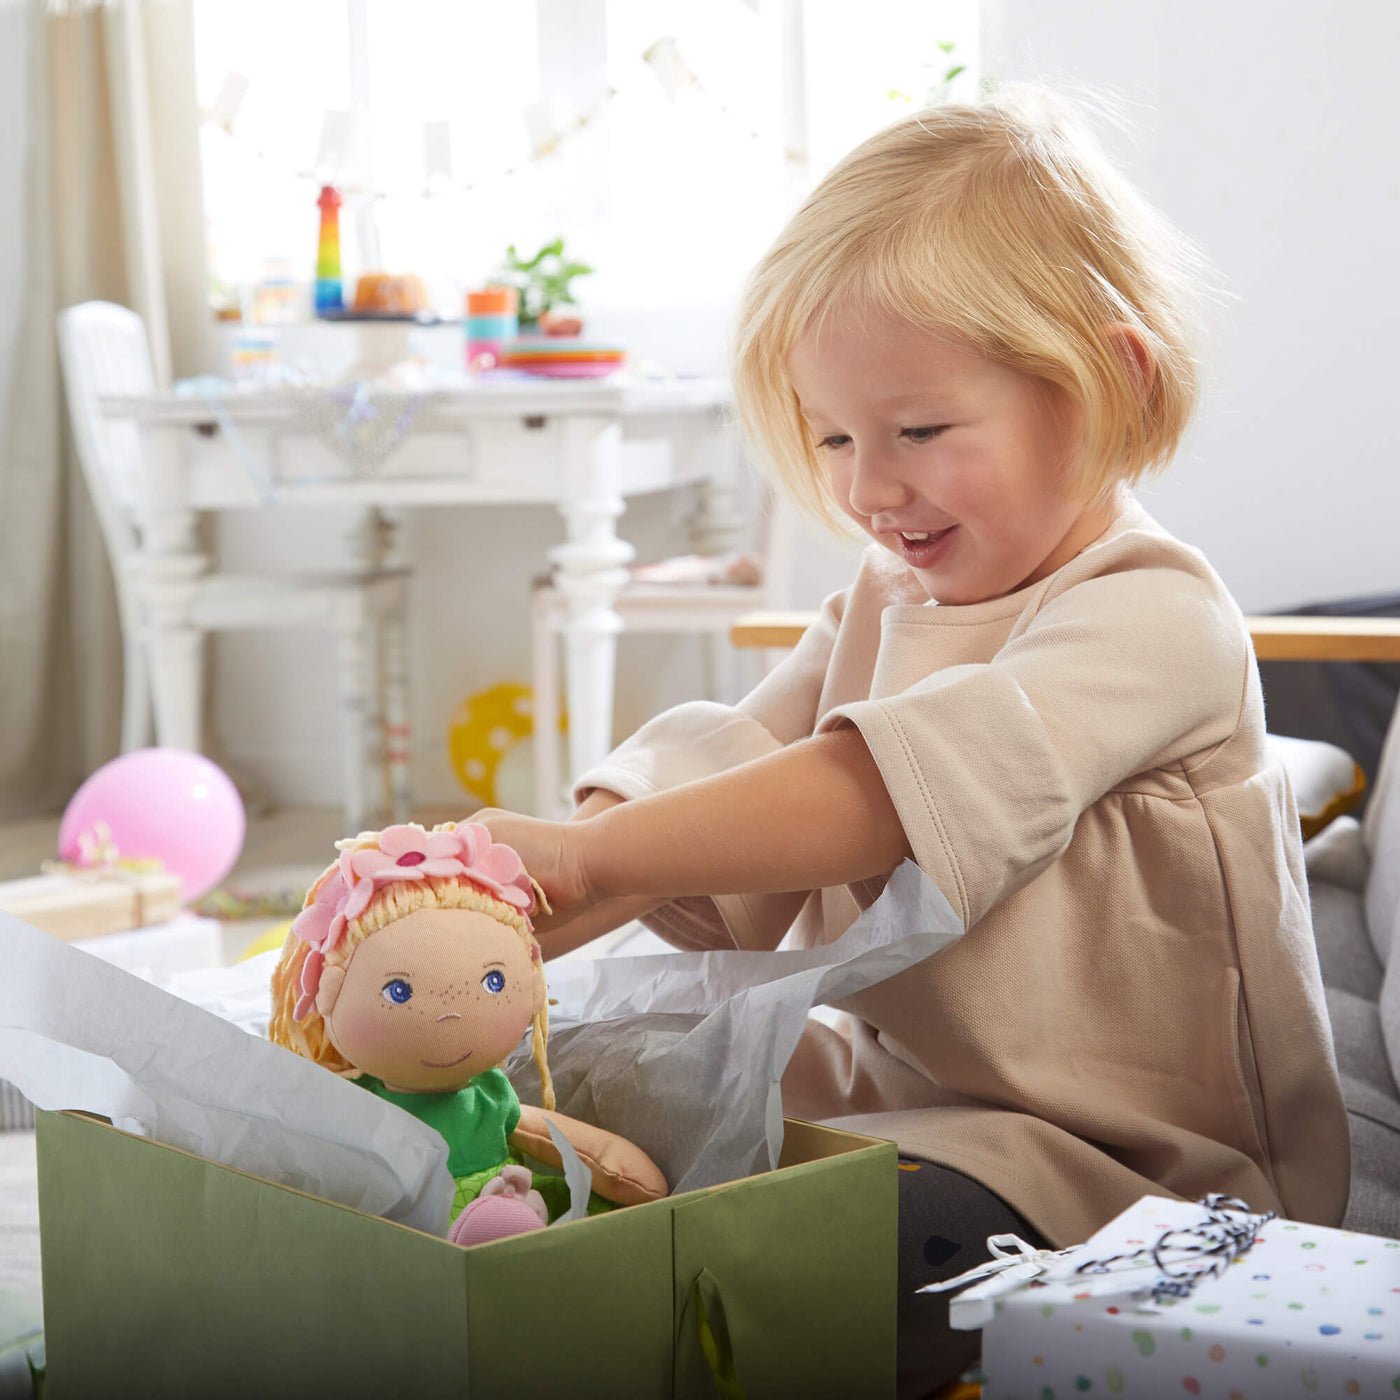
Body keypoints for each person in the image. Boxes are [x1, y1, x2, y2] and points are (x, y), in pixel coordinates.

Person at [476, 88, 1348, 1393]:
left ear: (1108, 383)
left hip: (1120, 1168)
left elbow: (875, 790)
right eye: (833, 435)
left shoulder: (1151, 614)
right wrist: (535, 885)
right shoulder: (888, 596)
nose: (868, 488)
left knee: (792, 1270)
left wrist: (595, 865)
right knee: (574, 1096)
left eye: (920, 432)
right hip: (898, 1088)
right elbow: (742, 754)